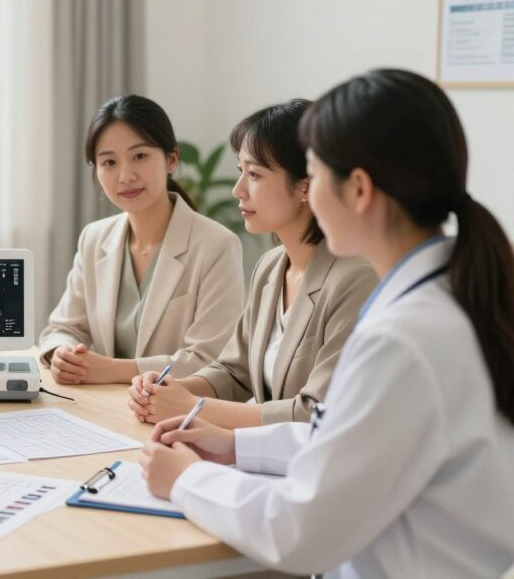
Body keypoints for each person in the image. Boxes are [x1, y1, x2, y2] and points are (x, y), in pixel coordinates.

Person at [140, 69, 514, 578]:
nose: (310, 196)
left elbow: (298, 530)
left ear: (357, 190)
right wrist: (234, 446)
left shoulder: (405, 338)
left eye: (314, 176)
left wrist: (186, 480)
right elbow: (351, 438)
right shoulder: (448, 296)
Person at [127, 100, 377, 427]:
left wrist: (190, 406)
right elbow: (235, 371)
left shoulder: (357, 278)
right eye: (240, 171)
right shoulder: (271, 267)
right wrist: (166, 390)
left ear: (306, 184)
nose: (238, 190)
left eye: (255, 174)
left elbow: (314, 413)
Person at [39, 95, 244, 385]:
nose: (125, 176)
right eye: (109, 162)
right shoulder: (94, 238)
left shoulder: (217, 245)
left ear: (171, 159)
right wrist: (62, 354)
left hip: (174, 415)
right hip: (105, 406)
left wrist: (111, 369)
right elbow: (63, 328)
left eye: (140, 156)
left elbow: (211, 359)